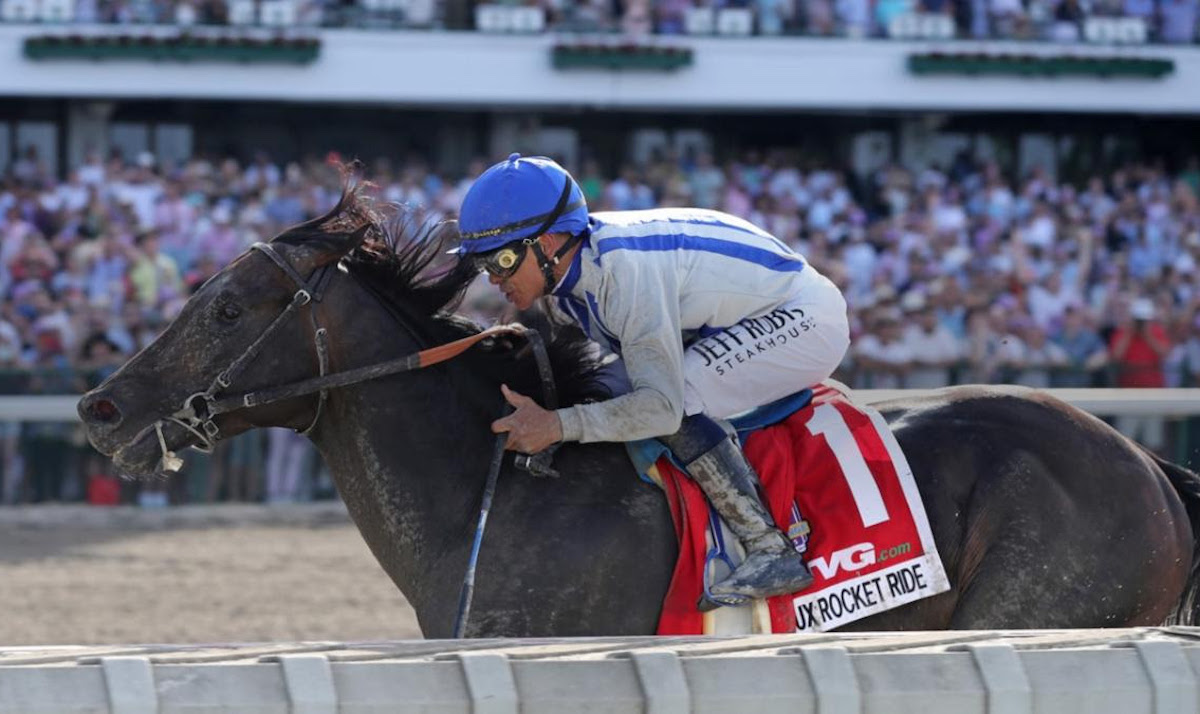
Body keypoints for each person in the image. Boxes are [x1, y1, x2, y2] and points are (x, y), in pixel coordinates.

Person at [451, 154, 850, 609]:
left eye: (502, 260)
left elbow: (660, 406)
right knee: (607, 387)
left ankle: (769, 546)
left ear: (550, 241)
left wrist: (558, 426)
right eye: (484, 265)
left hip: (804, 317)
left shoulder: (622, 275)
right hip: (733, 318)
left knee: (677, 400)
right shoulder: (564, 295)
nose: (495, 278)